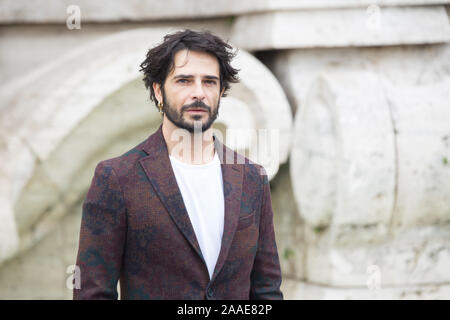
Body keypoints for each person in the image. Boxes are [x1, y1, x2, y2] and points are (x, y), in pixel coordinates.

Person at [73, 29, 283, 300]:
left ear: (221, 91)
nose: (199, 93)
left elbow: (267, 290)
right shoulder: (117, 178)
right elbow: (92, 293)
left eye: (209, 82)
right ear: (158, 91)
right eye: (184, 81)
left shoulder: (252, 177)